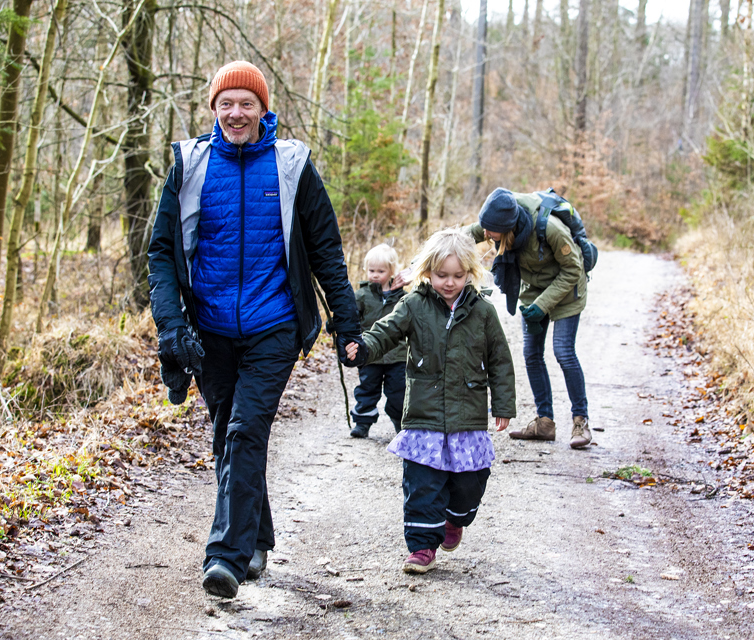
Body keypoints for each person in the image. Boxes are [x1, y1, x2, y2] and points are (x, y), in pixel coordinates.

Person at [148, 60, 367, 599]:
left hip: (274, 324)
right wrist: (171, 325)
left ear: (263, 109)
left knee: (246, 431)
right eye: (226, 103)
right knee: (228, 433)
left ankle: (226, 555)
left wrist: (346, 322)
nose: (236, 113)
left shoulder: (292, 166)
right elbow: (160, 252)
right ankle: (258, 537)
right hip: (210, 328)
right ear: (214, 109)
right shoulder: (190, 165)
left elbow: (326, 249)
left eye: (247, 103)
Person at [346, 229, 516, 574]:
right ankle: (422, 546)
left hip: (467, 417)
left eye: (458, 275)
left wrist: (503, 405)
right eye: (441, 275)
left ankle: (455, 519)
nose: (449, 283)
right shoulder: (414, 305)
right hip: (424, 415)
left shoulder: (483, 312)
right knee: (422, 483)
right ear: (426, 271)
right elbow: (385, 332)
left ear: (470, 273)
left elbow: (500, 360)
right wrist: (362, 348)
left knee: (469, 483)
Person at [465, 188, 592, 448]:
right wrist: (420, 263)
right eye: (485, 228)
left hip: (567, 289)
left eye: (491, 231)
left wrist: (543, 306)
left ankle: (581, 421)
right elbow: (460, 237)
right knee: (532, 354)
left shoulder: (551, 228)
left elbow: (572, 270)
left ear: (508, 228)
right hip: (533, 290)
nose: (486, 234)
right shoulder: (495, 222)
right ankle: (544, 423)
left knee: (563, 352)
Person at [349, 244, 408, 438]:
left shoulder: (403, 298)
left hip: (398, 355)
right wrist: (337, 325)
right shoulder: (361, 296)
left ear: (392, 271)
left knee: (399, 391)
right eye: (371, 270)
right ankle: (362, 423)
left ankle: (400, 423)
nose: (375, 275)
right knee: (367, 388)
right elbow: (350, 317)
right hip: (370, 354)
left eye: (380, 271)